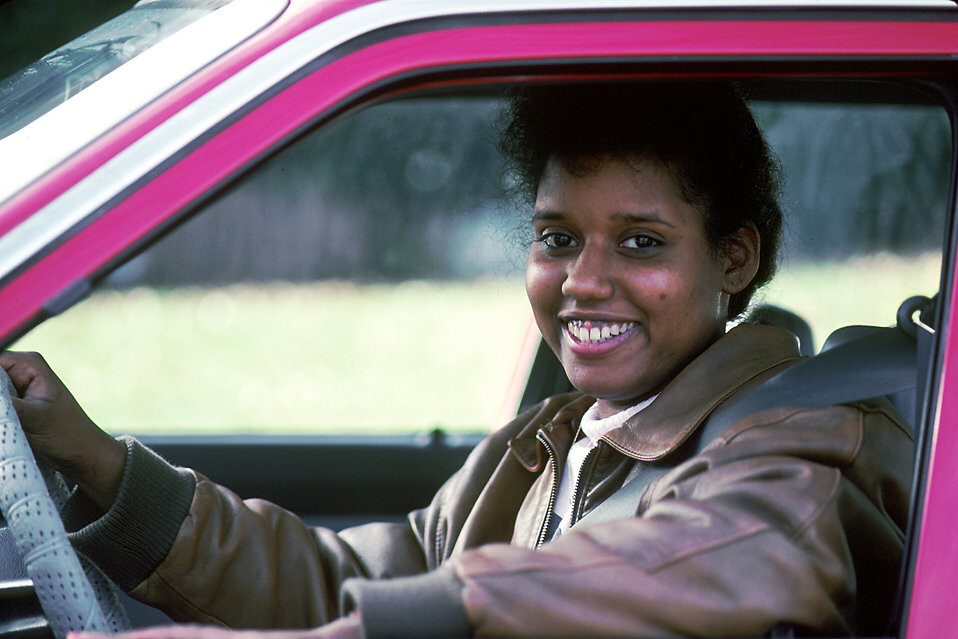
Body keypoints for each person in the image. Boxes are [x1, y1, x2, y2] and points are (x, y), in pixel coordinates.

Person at [1, 82, 913, 638]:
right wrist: (100, 461)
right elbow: (355, 583)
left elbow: (712, 562)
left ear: (736, 258)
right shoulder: (541, 447)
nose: (582, 281)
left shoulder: (801, 444)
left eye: (640, 243)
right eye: (557, 236)